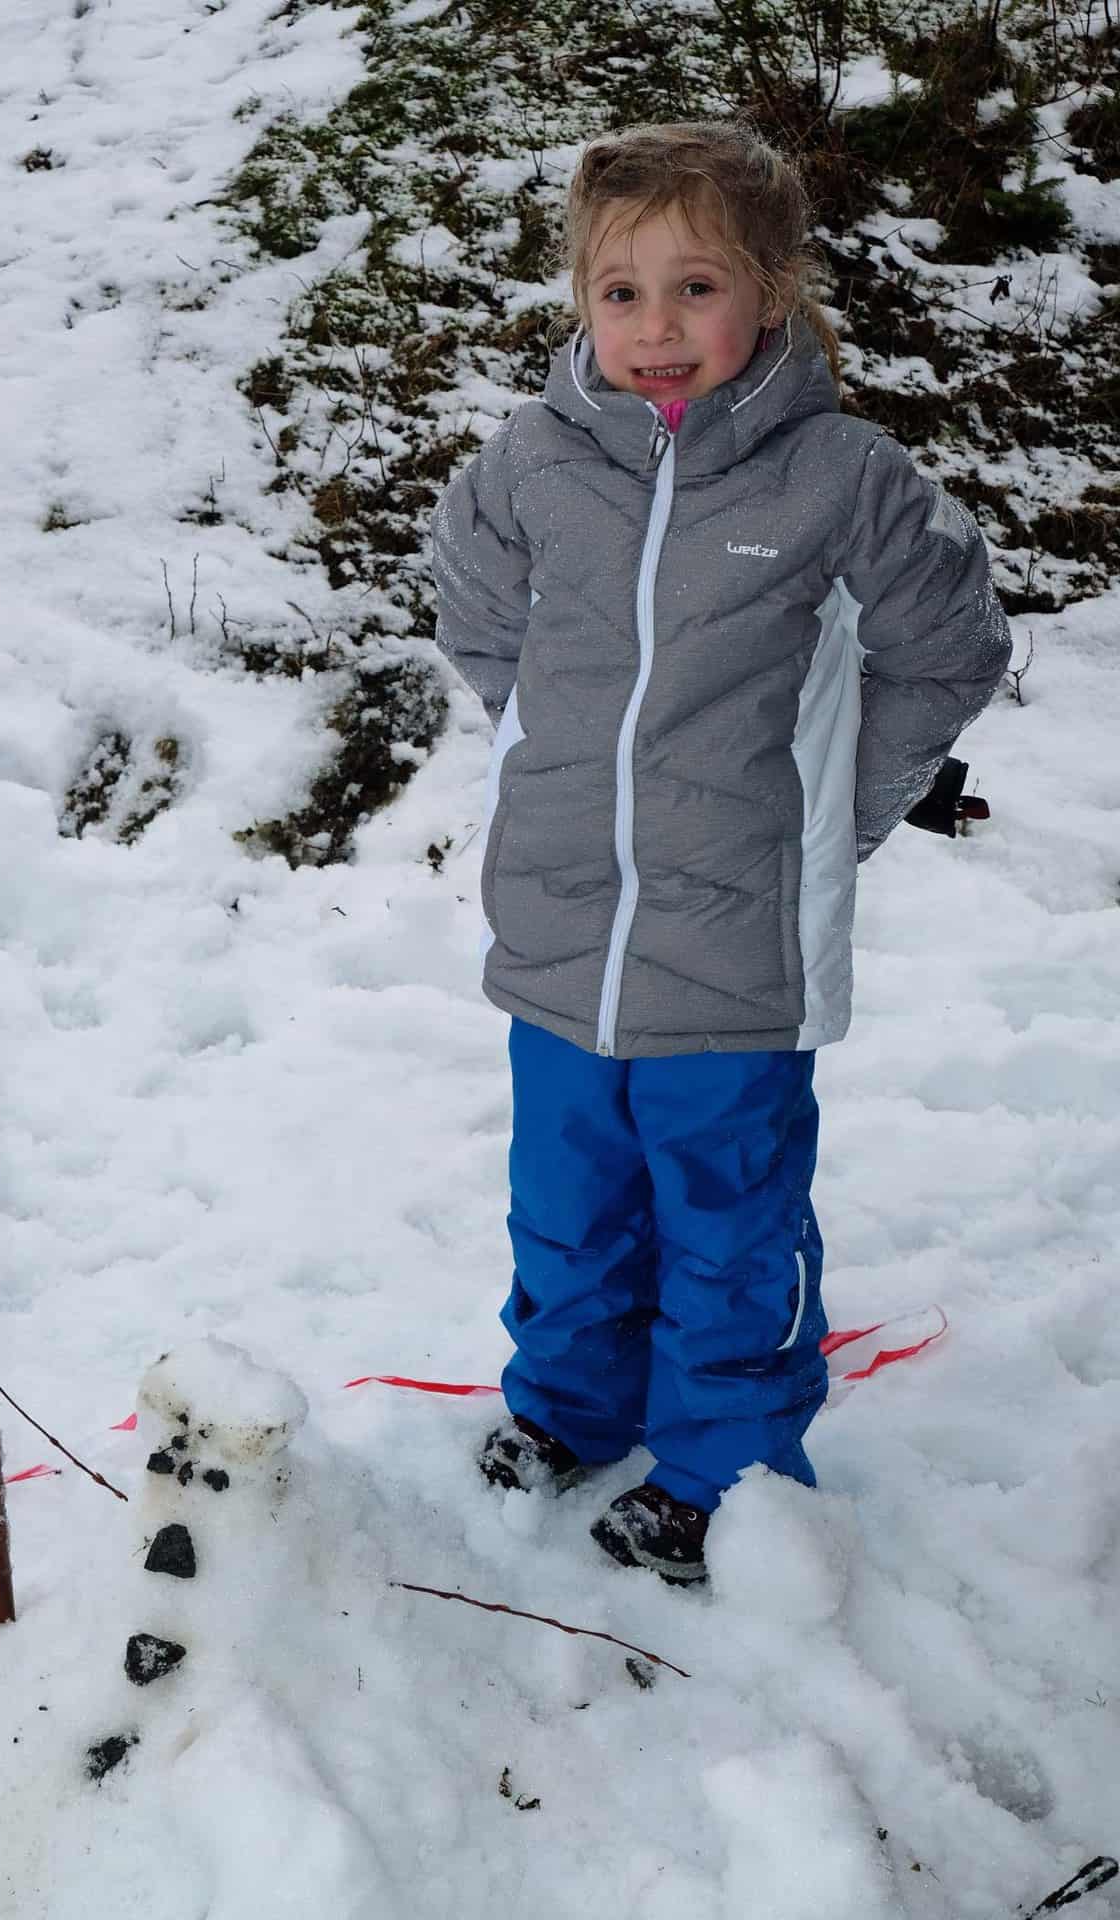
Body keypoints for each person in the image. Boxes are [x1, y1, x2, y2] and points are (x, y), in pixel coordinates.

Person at [429, 120, 1012, 1585]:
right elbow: (476, 611)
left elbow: (949, 647)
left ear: (773, 292)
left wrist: (844, 801)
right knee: (564, 1206)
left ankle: (728, 1468)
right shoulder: (531, 464)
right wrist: (541, 747)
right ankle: (568, 1404)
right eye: (619, 292)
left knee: (730, 1226)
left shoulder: (839, 476)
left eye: (697, 287)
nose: (657, 327)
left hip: (737, 949)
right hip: (561, 937)